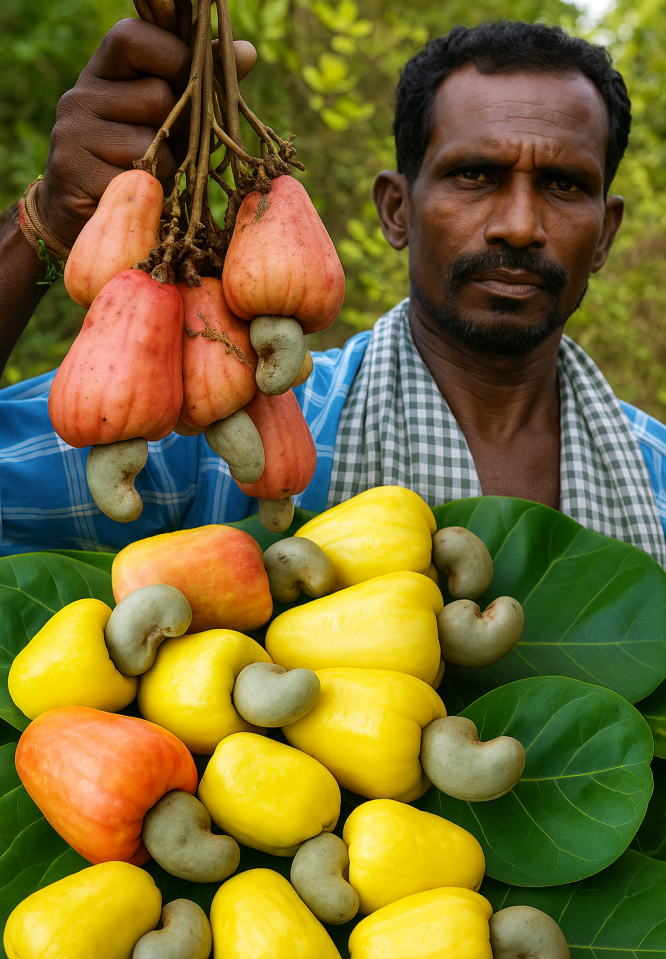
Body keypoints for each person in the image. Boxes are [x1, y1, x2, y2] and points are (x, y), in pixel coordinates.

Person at [1, 18, 666, 566]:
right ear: (396, 211)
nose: (519, 225)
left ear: (605, 234)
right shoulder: (208, 429)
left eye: (563, 185)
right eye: (475, 174)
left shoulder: (657, 475)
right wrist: (47, 218)